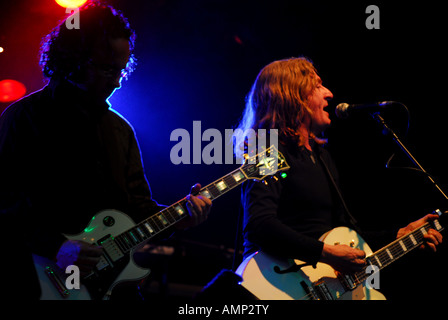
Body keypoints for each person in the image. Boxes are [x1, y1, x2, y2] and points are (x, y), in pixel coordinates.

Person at [0, 2, 211, 300]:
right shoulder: (24, 118)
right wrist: (56, 247)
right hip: (36, 279)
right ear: (74, 59)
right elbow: (6, 203)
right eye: (107, 69)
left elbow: (137, 208)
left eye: (121, 70)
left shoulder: (120, 130)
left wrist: (181, 217)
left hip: (112, 286)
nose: (116, 82)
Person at [233, 57, 442, 291]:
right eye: (318, 85)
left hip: (316, 284)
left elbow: (348, 236)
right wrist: (327, 254)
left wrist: (400, 234)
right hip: (275, 284)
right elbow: (259, 225)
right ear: (294, 95)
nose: (329, 93)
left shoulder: (322, 157)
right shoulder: (267, 150)